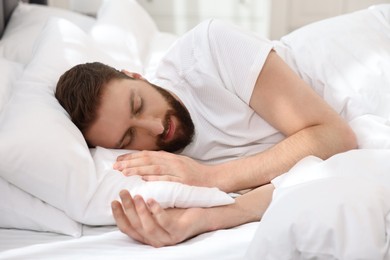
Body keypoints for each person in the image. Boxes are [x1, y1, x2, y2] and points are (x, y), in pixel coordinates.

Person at [55, 19, 357, 247]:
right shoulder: (159, 169)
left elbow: (334, 137)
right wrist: (207, 218)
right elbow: (303, 174)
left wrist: (214, 177)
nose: (156, 127)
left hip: (361, 58)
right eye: (129, 138)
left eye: (138, 104)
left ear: (134, 75)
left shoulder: (210, 48)